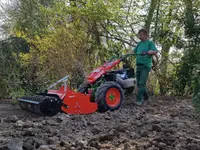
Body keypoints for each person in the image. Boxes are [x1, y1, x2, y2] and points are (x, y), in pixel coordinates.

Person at [127, 28, 158, 106]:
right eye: (139, 35)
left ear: (145, 34)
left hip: (145, 65)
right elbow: (134, 51)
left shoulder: (150, 43)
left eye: (140, 35)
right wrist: (127, 54)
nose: (139, 36)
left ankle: (139, 100)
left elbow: (155, 51)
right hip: (139, 65)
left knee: (141, 83)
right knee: (140, 84)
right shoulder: (139, 44)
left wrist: (150, 52)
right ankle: (147, 98)